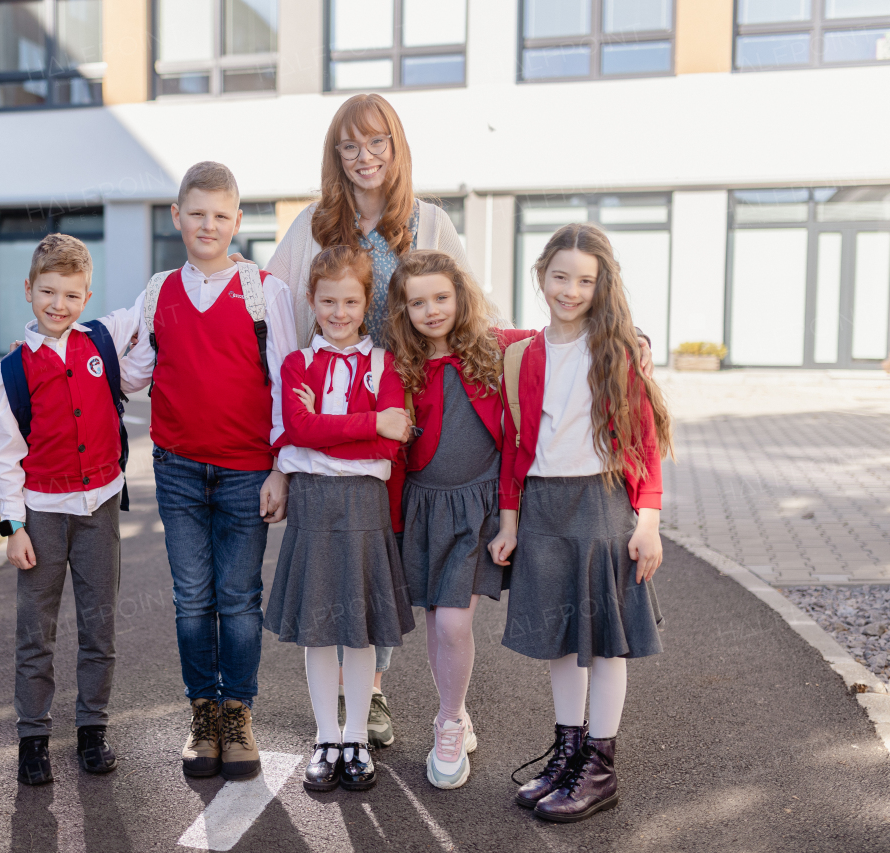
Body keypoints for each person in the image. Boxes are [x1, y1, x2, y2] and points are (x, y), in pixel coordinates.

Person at [265, 92, 472, 747]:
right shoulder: (313, 227)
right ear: (336, 156)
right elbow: (274, 315)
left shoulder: (431, 223)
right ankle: (370, 698)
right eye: (349, 146)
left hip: (417, 411)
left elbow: (472, 314)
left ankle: (452, 710)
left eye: (377, 142)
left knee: (418, 561)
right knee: (358, 553)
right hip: (343, 425)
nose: (364, 157)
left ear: (397, 147)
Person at [489, 223, 673, 823]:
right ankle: (568, 752)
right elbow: (515, 446)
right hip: (542, 506)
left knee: (604, 642)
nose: (570, 290)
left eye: (585, 281)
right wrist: (510, 521)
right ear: (541, 276)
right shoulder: (521, 353)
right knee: (560, 639)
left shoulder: (618, 350)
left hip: (602, 505)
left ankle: (600, 766)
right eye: (560, 277)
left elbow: (645, 441)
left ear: (602, 286)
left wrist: (648, 520)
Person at [123, 161, 297, 781]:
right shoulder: (158, 291)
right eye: (196, 213)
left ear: (237, 222)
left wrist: (281, 469)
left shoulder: (262, 290)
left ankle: (238, 713)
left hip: (247, 470)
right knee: (192, 599)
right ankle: (203, 714)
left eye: (221, 215)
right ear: (176, 217)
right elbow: (134, 372)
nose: (208, 225)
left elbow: (284, 381)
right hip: (176, 469)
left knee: (239, 598)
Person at [0, 234, 147, 786]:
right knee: (37, 632)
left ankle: (92, 730)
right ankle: (33, 737)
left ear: (88, 296)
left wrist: (230, 268)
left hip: (99, 509)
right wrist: (13, 527)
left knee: (99, 628)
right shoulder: (10, 372)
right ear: (29, 290)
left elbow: (151, 305)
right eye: (49, 292)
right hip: (42, 518)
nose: (59, 305)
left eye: (73, 295)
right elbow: (6, 458)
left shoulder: (101, 340)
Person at [383, 249, 537, 789]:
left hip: (481, 507)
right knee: (437, 624)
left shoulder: (499, 347)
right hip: (424, 508)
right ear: (402, 310)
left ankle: (449, 721)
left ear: (460, 296)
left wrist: (633, 338)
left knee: (454, 623)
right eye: (417, 302)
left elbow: (564, 336)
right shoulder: (397, 364)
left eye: (441, 297)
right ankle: (453, 710)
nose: (431, 310)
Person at [265, 246, 415, 793]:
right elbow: (297, 430)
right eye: (328, 301)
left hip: (364, 505)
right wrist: (367, 422)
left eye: (350, 301)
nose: (339, 312)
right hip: (313, 503)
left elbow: (390, 444)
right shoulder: (296, 364)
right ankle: (326, 736)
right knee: (320, 628)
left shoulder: (385, 365)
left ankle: (355, 736)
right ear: (312, 300)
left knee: (361, 630)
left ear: (366, 301)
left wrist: (335, 426)